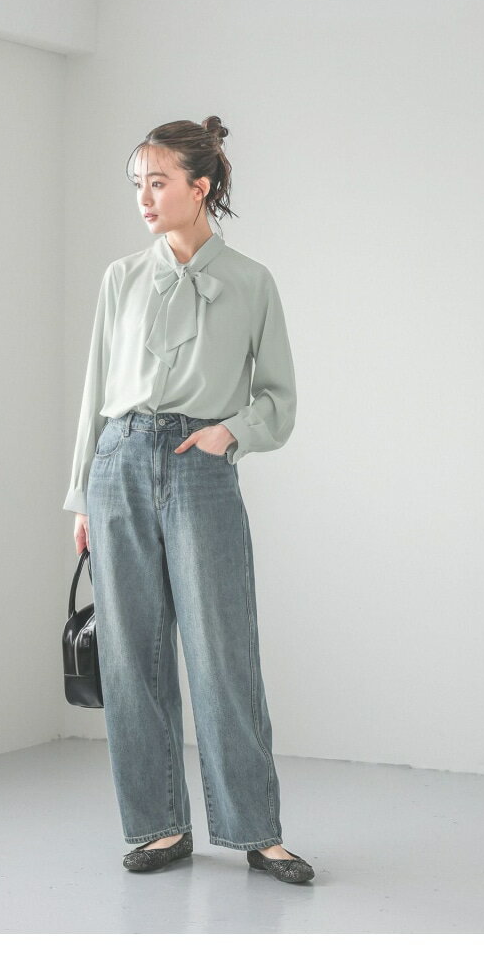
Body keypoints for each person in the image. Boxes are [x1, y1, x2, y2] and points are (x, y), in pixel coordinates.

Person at [63, 117, 314, 885]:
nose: (144, 197)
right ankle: (160, 826)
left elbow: (278, 398)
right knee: (130, 656)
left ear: (200, 187)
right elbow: (95, 392)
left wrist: (227, 433)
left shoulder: (251, 282)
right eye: (137, 184)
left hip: (199, 468)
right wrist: (81, 495)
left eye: (158, 182)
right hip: (118, 465)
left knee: (223, 654)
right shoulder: (120, 278)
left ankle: (258, 832)